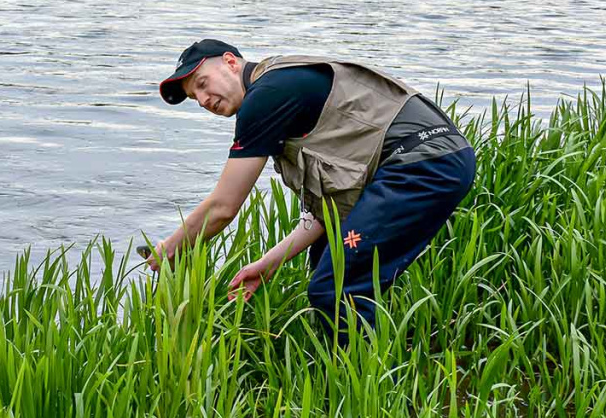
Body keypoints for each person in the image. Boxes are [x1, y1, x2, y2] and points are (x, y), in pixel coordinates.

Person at [148, 39, 476, 337]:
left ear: (231, 62)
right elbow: (327, 207)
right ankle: (349, 366)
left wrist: (170, 248)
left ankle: (357, 390)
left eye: (203, 84)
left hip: (424, 165)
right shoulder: (276, 91)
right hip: (426, 162)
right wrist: (271, 262)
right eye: (195, 97)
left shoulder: (267, 96)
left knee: (336, 288)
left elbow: (223, 207)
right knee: (324, 264)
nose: (204, 100)